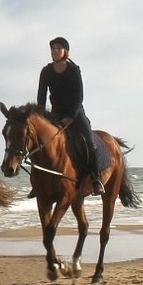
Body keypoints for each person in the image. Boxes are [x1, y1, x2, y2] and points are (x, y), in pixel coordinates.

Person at [37, 37, 103, 195]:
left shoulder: (74, 70)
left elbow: (79, 96)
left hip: (75, 112)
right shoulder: (46, 71)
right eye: (52, 48)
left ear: (65, 51)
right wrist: (41, 116)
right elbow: (41, 96)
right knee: (43, 143)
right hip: (55, 112)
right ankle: (39, 182)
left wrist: (71, 117)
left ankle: (96, 179)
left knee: (88, 141)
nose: (54, 51)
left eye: (58, 48)